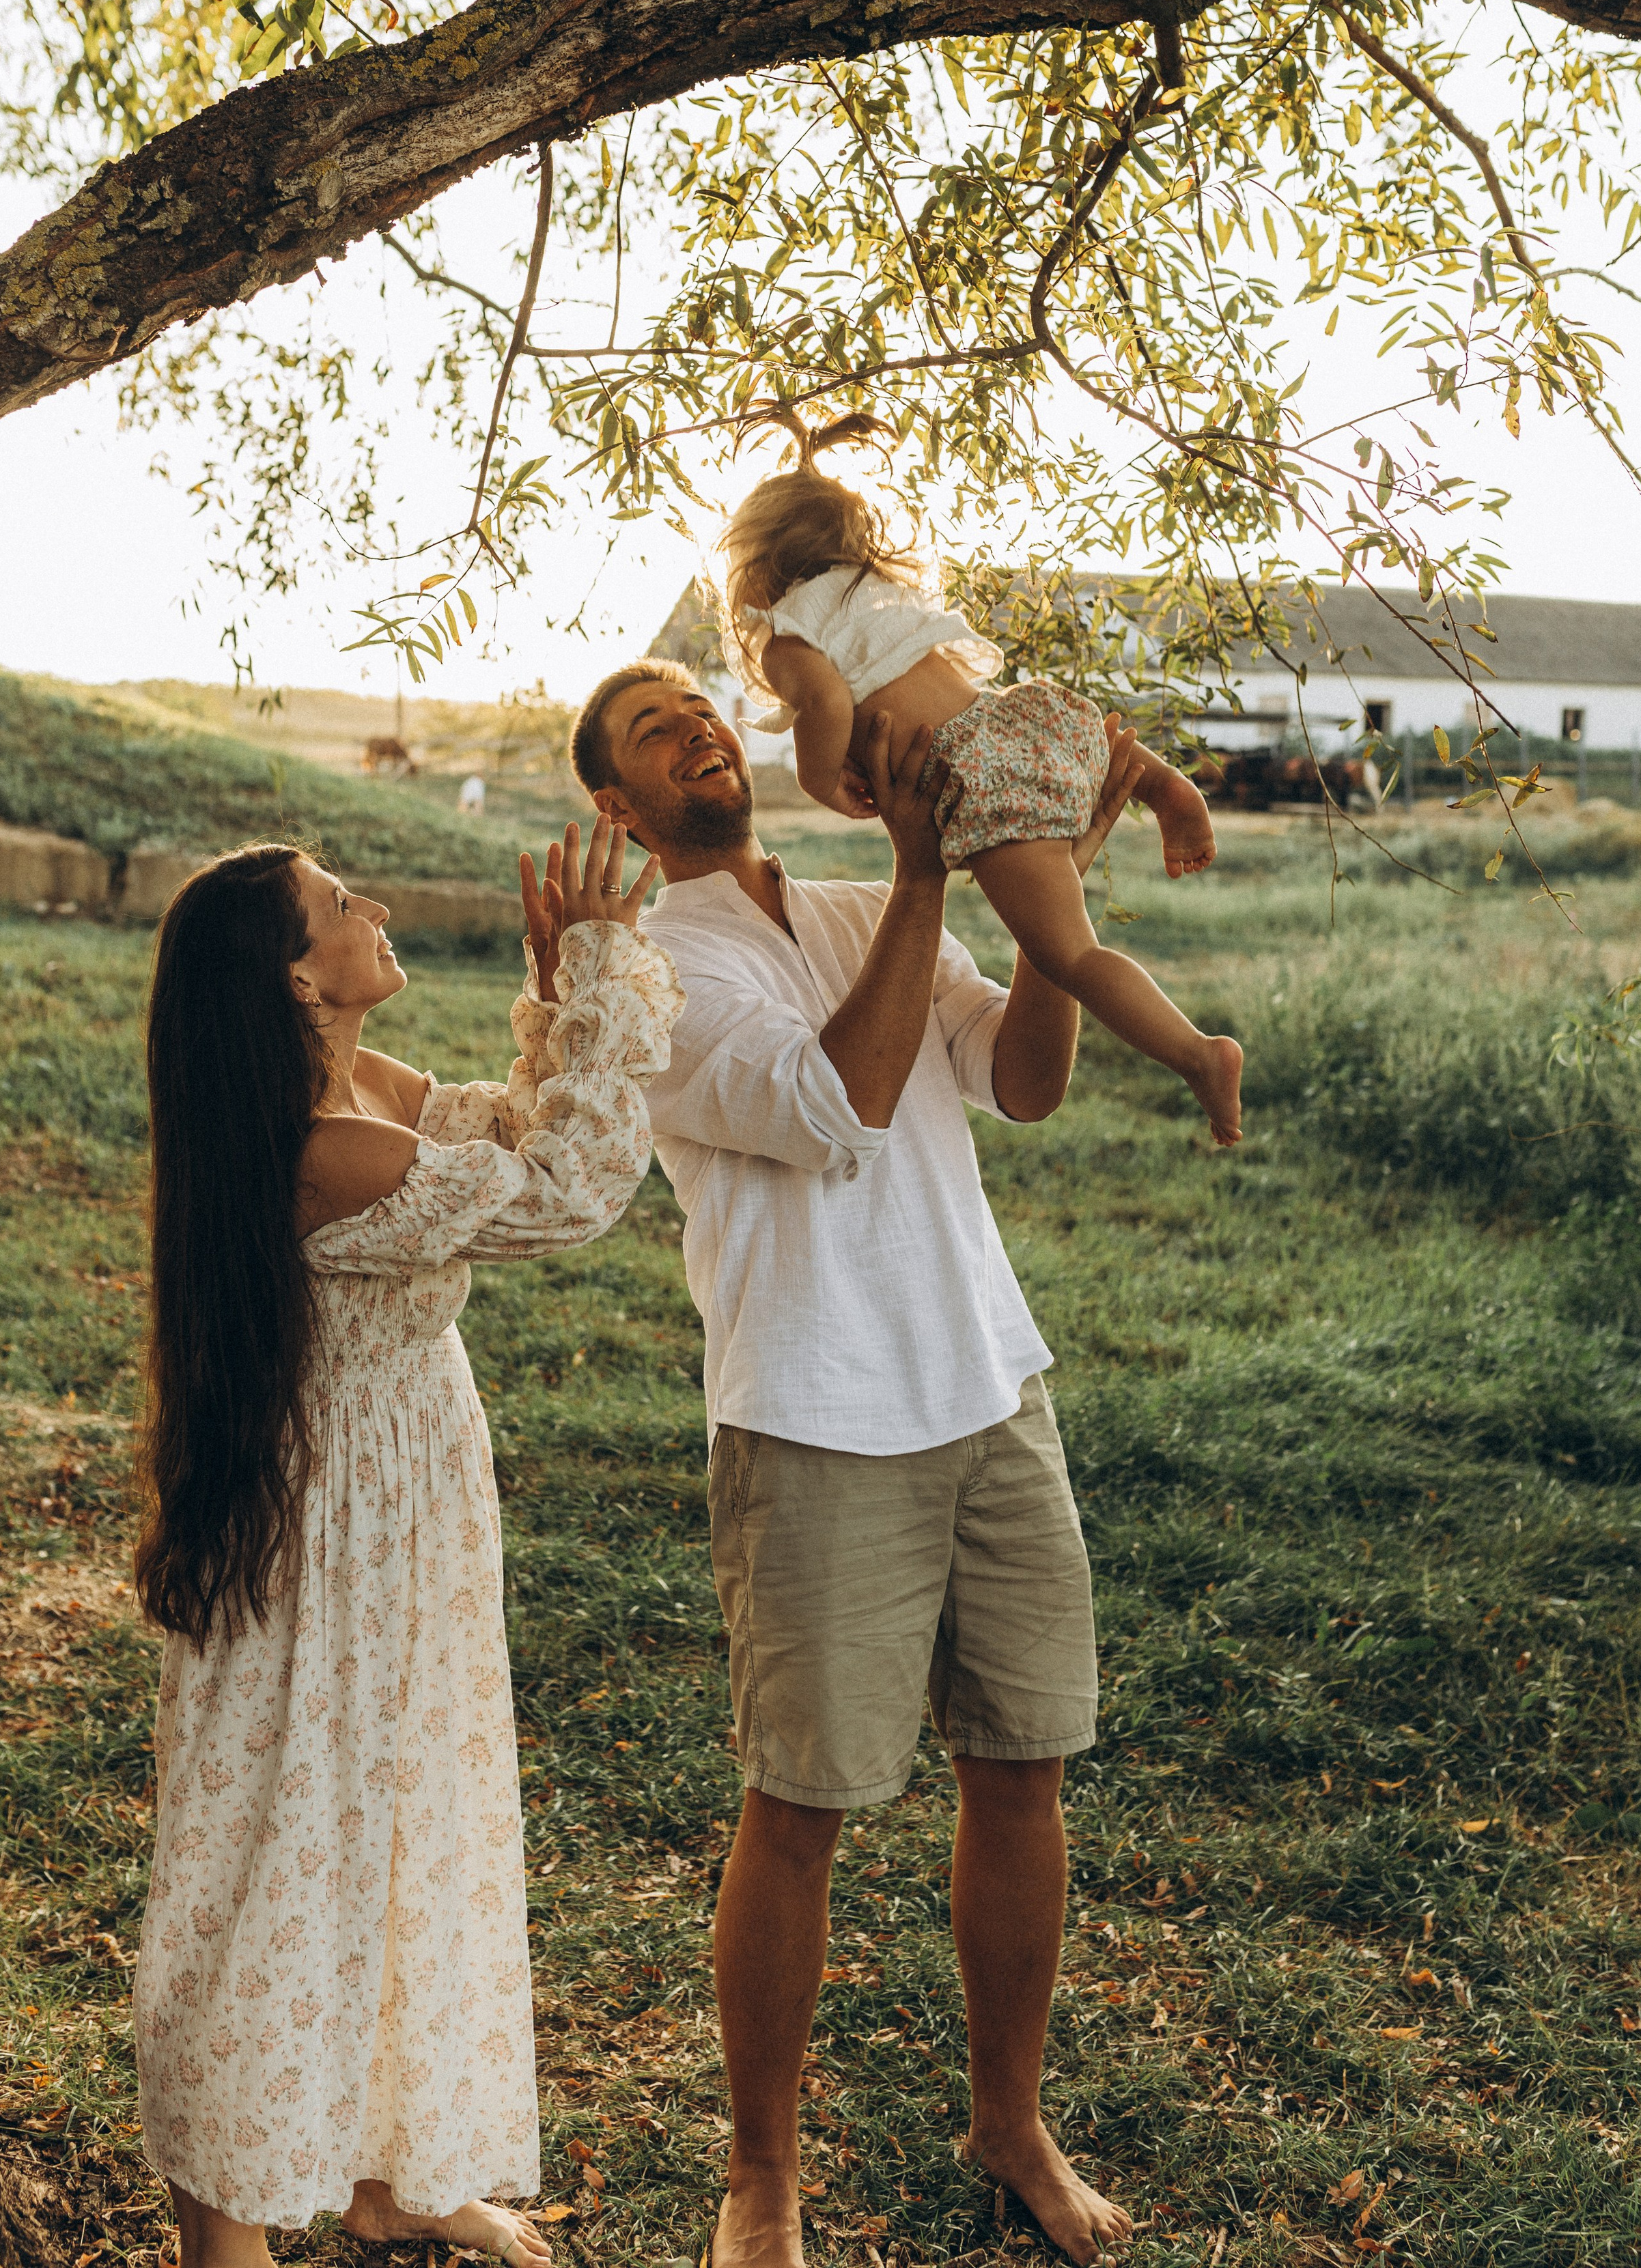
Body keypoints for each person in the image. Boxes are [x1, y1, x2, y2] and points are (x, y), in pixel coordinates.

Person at [570, 657, 1143, 2268]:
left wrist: (1049, 903)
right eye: (654, 733)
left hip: (986, 1385)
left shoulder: (850, 904)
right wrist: (921, 870)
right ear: (618, 806)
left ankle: (1009, 2121)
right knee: (800, 1804)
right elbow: (842, 1101)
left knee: (1020, 1768)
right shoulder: (646, 972)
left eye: (700, 709)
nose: (697, 731)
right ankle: (759, 2175)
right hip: (814, 1414)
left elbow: (1021, 1081)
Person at [131, 821, 680, 2268]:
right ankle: (223, 2218)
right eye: (335, 901)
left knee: (404, 1816)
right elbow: (564, 1191)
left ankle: (395, 2173)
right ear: (298, 980)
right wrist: (602, 970)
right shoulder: (325, 1151)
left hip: (408, 1504)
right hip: (319, 1538)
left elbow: (506, 1127)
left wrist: (556, 988)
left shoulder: (367, 1094)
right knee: (278, 1856)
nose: (369, 903)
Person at [718, 404, 1242, 1146]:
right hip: (1021, 719)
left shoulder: (786, 634)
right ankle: (1166, 787)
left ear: (753, 570)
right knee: (1104, 772)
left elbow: (826, 702)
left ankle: (1198, 1053)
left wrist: (818, 779)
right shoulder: (870, 592)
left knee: (1071, 956)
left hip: (979, 774)